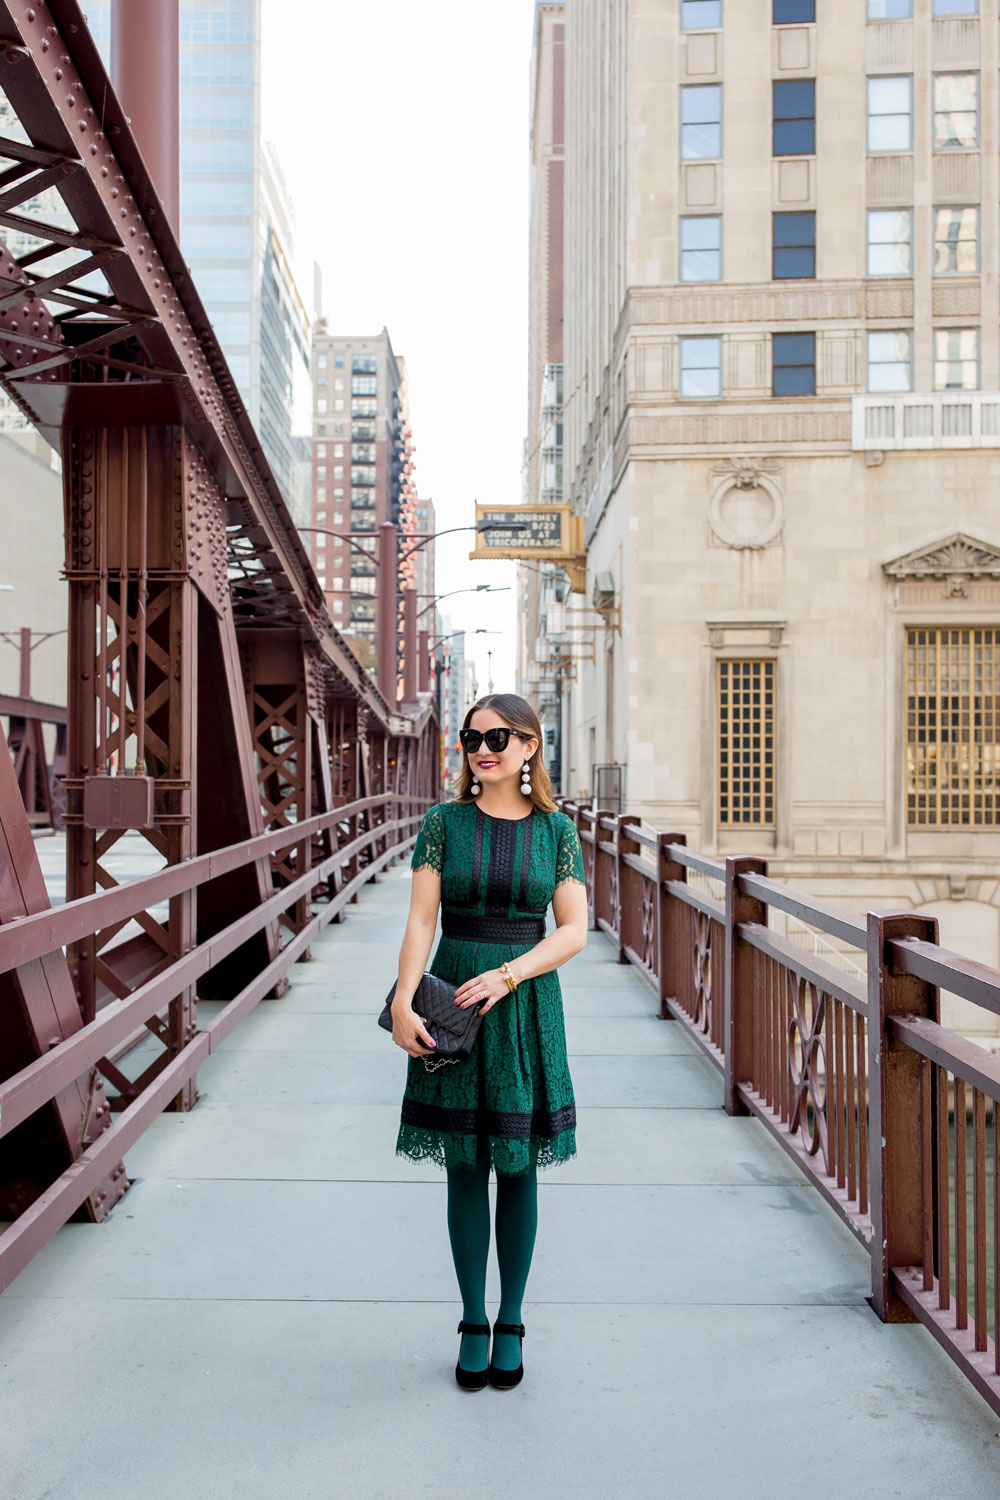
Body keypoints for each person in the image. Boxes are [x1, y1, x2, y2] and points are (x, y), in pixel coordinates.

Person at [390, 692, 588, 1391]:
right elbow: (421, 922)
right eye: (473, 738)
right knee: (464, 1164)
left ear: (530, 747)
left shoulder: (556, 832)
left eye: (500, 737)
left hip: (524, 1001)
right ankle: (473, 1318)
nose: (484, 748)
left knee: (520, 1164)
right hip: (451, 1000)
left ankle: (513, 1319)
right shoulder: (443, 824)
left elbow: (572, 930)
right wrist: (402, 999)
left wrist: (511, 974)